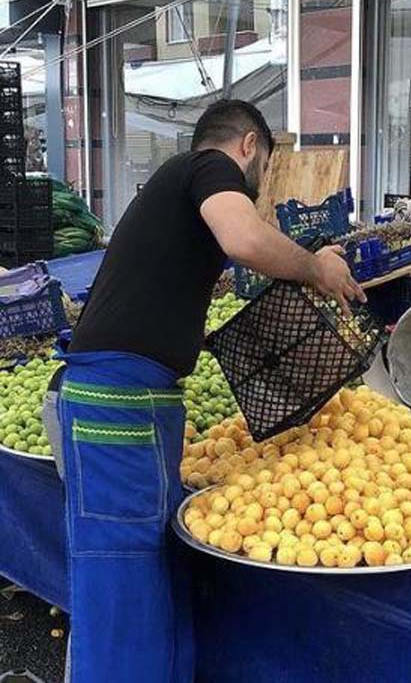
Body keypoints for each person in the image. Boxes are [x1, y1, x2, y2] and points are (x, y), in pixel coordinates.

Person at [41, 100, 365, 683]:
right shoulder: (208, 167)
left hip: (139, 405)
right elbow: (243, 236)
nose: (259, 188)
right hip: (114, 405)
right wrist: (316, 268)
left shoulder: (180, 189)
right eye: (263, 170)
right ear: (247, 146)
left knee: (150, 577)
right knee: (123, 588)